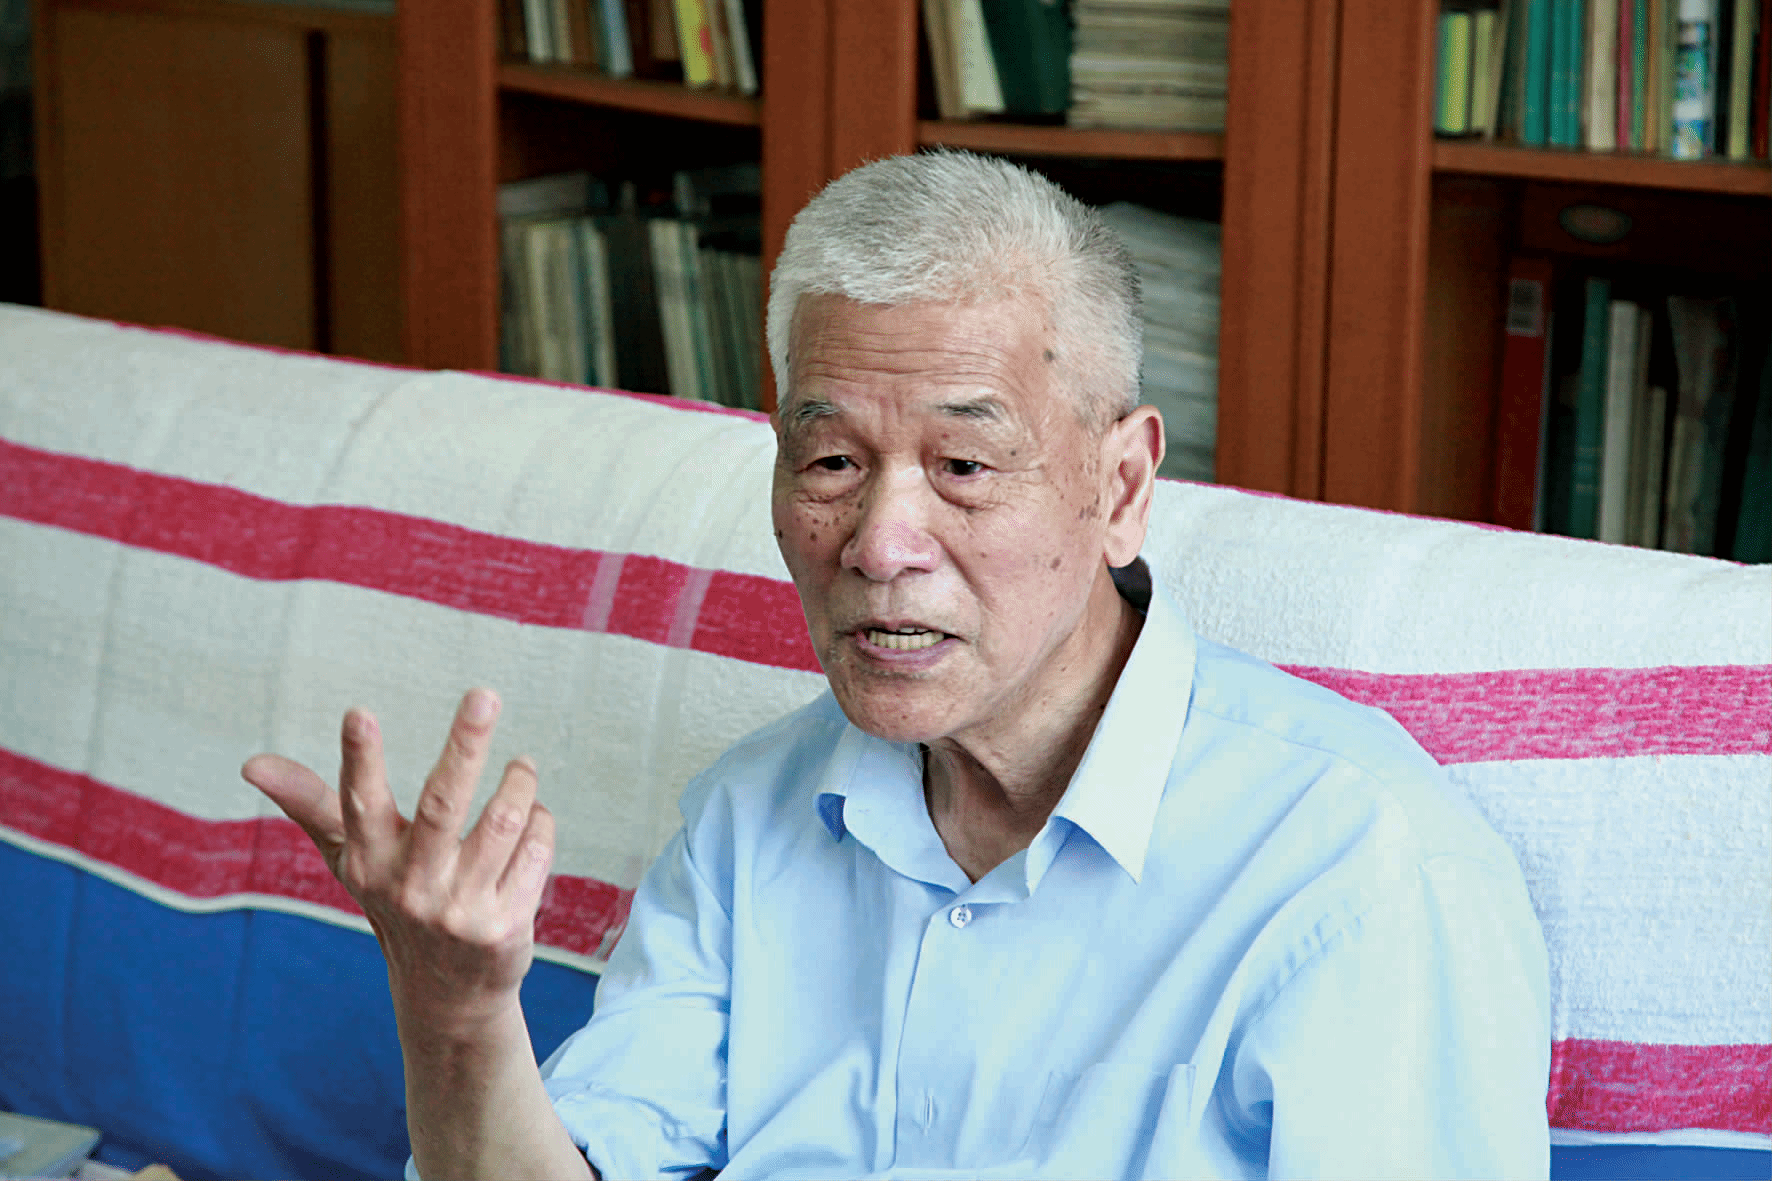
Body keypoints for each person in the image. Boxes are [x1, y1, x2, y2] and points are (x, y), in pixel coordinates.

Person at [244, 150, 1551, 1180]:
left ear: (1121, 486)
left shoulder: (1358, 872)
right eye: (830, 462)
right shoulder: (750, 820)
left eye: (965, 466)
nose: (878, 544)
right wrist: (458, 1014)